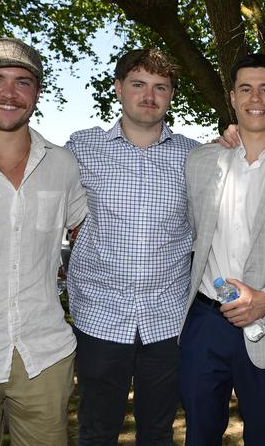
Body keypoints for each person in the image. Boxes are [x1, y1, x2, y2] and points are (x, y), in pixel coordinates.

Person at [0, 38, 88, 444]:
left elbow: (92, 227)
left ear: (36, 93)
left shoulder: (61, 163)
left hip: (45, 355)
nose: (9, 92)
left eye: (22, 82)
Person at [179, 53, 265, 446]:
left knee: (262, 435)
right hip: (206, 322)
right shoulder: (201, 161)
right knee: (200, 434)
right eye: (245, 89)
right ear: (233, 98)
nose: (255, 97)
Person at [66, 49, 199, 444]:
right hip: (100, 315)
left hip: (167, 317)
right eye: (138, 84)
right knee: (96, 429)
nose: (149, 96)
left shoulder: (195, 157)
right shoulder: (80, 149)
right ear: (119, 89)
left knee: (158, 431)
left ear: (171, 95)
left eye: (161, 87)